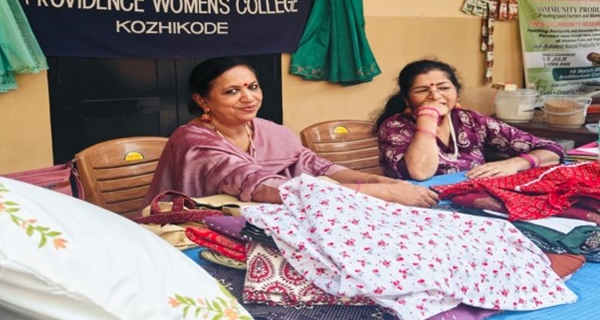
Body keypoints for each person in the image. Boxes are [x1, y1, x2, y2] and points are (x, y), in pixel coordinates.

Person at [146, 57, 438, 207]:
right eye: (232, 91)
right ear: (202, 100)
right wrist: (383, 193)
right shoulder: (193, 140)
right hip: (196, 234)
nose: (249, 98)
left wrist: (378, 180)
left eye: (253, 87)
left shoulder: (269, 130)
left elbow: (316, 165)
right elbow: (262, 187)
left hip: (258, 221)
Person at [374, 59, 565, 181]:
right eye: (422, 90)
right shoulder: (394, 127)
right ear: (407, 99)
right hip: (421, 206)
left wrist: (515, 163)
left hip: (476, 198)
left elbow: (552, 149)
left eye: (444, 88)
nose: (435, 95)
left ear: (457, 93)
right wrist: (428, 117)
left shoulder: (471, 120)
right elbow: (419, 173)